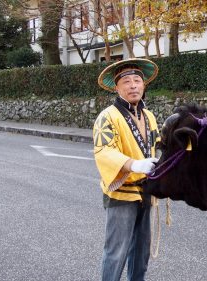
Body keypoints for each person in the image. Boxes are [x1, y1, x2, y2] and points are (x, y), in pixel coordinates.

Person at [93, 58, 161, 281]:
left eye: (137, 81)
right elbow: (105, 151)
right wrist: (135, 164)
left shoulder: (148, 116)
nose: (133, 86)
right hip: (123, 192)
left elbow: (157, 145)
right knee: (117, 252)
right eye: (127, 82)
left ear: (144, 85)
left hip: (146, 190)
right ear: (117, 87)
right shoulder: (108, 116)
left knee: (141, 252)